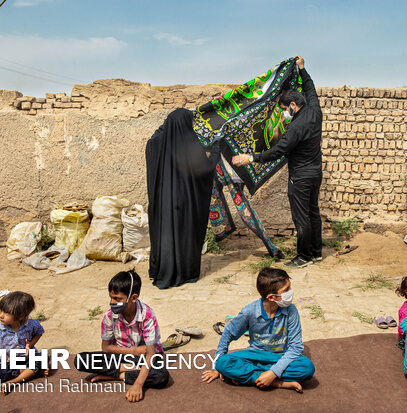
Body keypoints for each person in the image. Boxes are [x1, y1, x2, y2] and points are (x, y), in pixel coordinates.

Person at [232, 55, 323, 268]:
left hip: (300, 177)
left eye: (284, 108)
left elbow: (277, 151)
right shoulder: (315, 110)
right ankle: (316, 252)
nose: (283, 113)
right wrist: (302, 69)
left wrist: (250, 158)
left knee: (301, 218)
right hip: (315, 173)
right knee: (313, 212)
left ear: (292, 105)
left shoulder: (294, 129)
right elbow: (310, 88)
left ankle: (304, 257)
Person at [201, 267, 315, 392]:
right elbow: (228, 333)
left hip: (280, 357)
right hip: (254, 356)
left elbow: (295, 348)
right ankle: (276, 383)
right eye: (286, 290)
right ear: (271, 297)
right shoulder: (249, 311)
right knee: (222, 363)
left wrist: (273, 373)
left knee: (307, 367)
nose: (291, 292)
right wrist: (216, 367)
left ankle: (256, 377)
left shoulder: (291, 311)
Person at [146, 108, 222, 289]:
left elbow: (156, 135)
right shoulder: (190, 144)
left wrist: (167, 124)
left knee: (164, 234)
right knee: (184, 235)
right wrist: (216, 151)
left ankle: (161, 270)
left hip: (162, 203)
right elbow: (204, 172)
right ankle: (183, 272)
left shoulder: (155, 144)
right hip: (184, 203)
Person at [75, 270, 169, 403]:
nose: (112, 302)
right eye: (111, 298)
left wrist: (138, 384)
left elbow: (151, 354)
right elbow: (106, 348)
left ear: (134, 298)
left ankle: (118, 375)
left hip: (146, 359)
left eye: (118, 299)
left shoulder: (147, 315)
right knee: (80, 360)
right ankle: (131, 371)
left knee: (161, 376)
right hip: (122, 355)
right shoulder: (109, 316)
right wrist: (133, 351)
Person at [0, 291, 49, 392]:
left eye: (6, 313)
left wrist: (31, 344)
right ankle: (32, 372)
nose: (1, 315)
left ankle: (13, 382)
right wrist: (0, 353)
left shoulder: (32, 324)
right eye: (1, 311)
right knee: (1, 372)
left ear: (21, 316)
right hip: (8, 361)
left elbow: (39, 332)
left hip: (26, 357)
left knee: (42, 358)